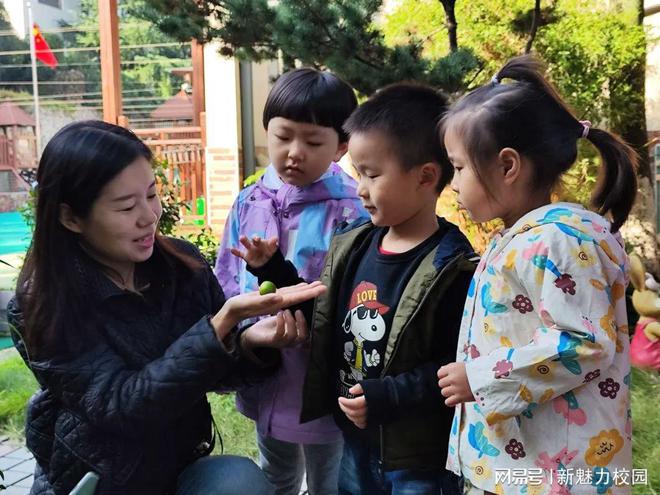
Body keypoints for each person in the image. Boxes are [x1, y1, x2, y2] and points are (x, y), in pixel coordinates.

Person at [7, 120, 326, 495]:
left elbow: (211, 371)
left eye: (152, 194)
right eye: (126, 207)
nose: (149, 216)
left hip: (179, 465)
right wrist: (221, 323)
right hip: (101, 480)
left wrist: (250, 342)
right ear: (71, 218)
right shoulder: (42, 305)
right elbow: (122, 406)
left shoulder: (181, 266)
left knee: (237, 481)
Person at [235, 83, 475, 494]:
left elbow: (452, 367)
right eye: (358, 173)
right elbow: (324, 315)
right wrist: (271, 268)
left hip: (415, 456)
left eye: (372, 174)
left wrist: (386, 397)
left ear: (426, 177)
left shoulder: (450, 266)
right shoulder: (355, 243)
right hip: (356, 442)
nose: (359, 187)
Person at [437, 55, 636, 495]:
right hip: (520, 460)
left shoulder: (559, 241)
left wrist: (481, 377)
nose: (453, 184)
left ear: (508, 166)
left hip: (553, 476)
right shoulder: (527, 236)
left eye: (459, 167)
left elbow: (583, 342)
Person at [214, 68, 365, 494]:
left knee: (328, 475)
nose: (294, 152)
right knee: (276, 468)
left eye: (313, 141)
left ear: (341, 147)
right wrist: (240, 337)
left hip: (323, 368)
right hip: (266, 362)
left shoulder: (352, 209)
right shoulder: (251, 200)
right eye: (283, 137)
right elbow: (227, 278)